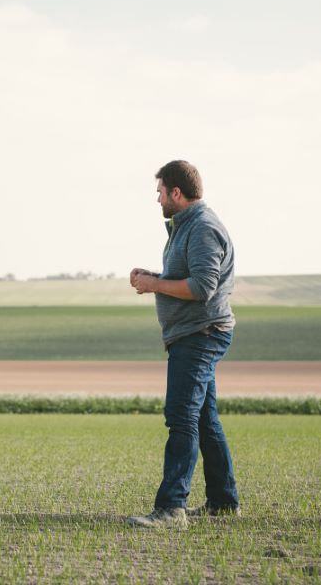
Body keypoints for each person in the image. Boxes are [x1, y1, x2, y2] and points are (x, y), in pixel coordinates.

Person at [126, 159, 240, 528]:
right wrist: (154, 277)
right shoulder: (186, 227)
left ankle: (171, 509)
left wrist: (155, 285)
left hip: (201, 335)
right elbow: (187, 277)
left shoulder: (203, 228)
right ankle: (223, 503)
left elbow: (203, 287)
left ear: (176, 192)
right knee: (205, 420)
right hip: (192, 333)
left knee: (181, 417)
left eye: (159, 191)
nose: (157, 199)